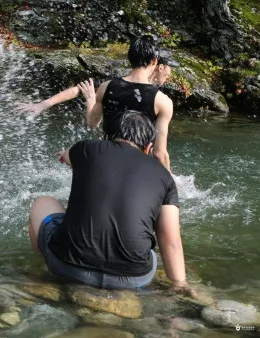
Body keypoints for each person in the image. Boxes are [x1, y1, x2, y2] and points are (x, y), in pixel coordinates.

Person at [28, 110, 190, 292]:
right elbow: (171, 242)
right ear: (148, 148)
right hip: (135, 278)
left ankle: (49, 272)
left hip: (68, 267)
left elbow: (66, 156)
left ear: (105, 138)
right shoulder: (165, 177)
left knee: (42, 202)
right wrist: (180, 285)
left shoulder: (87, 149)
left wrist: (67, 155)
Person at [18, 36, 178, 170]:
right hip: (138, 166)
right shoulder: (162, 101)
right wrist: (170, 184)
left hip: (105, 161)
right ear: (156, 62)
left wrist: (89, 100)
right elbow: (159, 153)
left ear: (129, 57)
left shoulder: (107, 86)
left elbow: (92, 122)